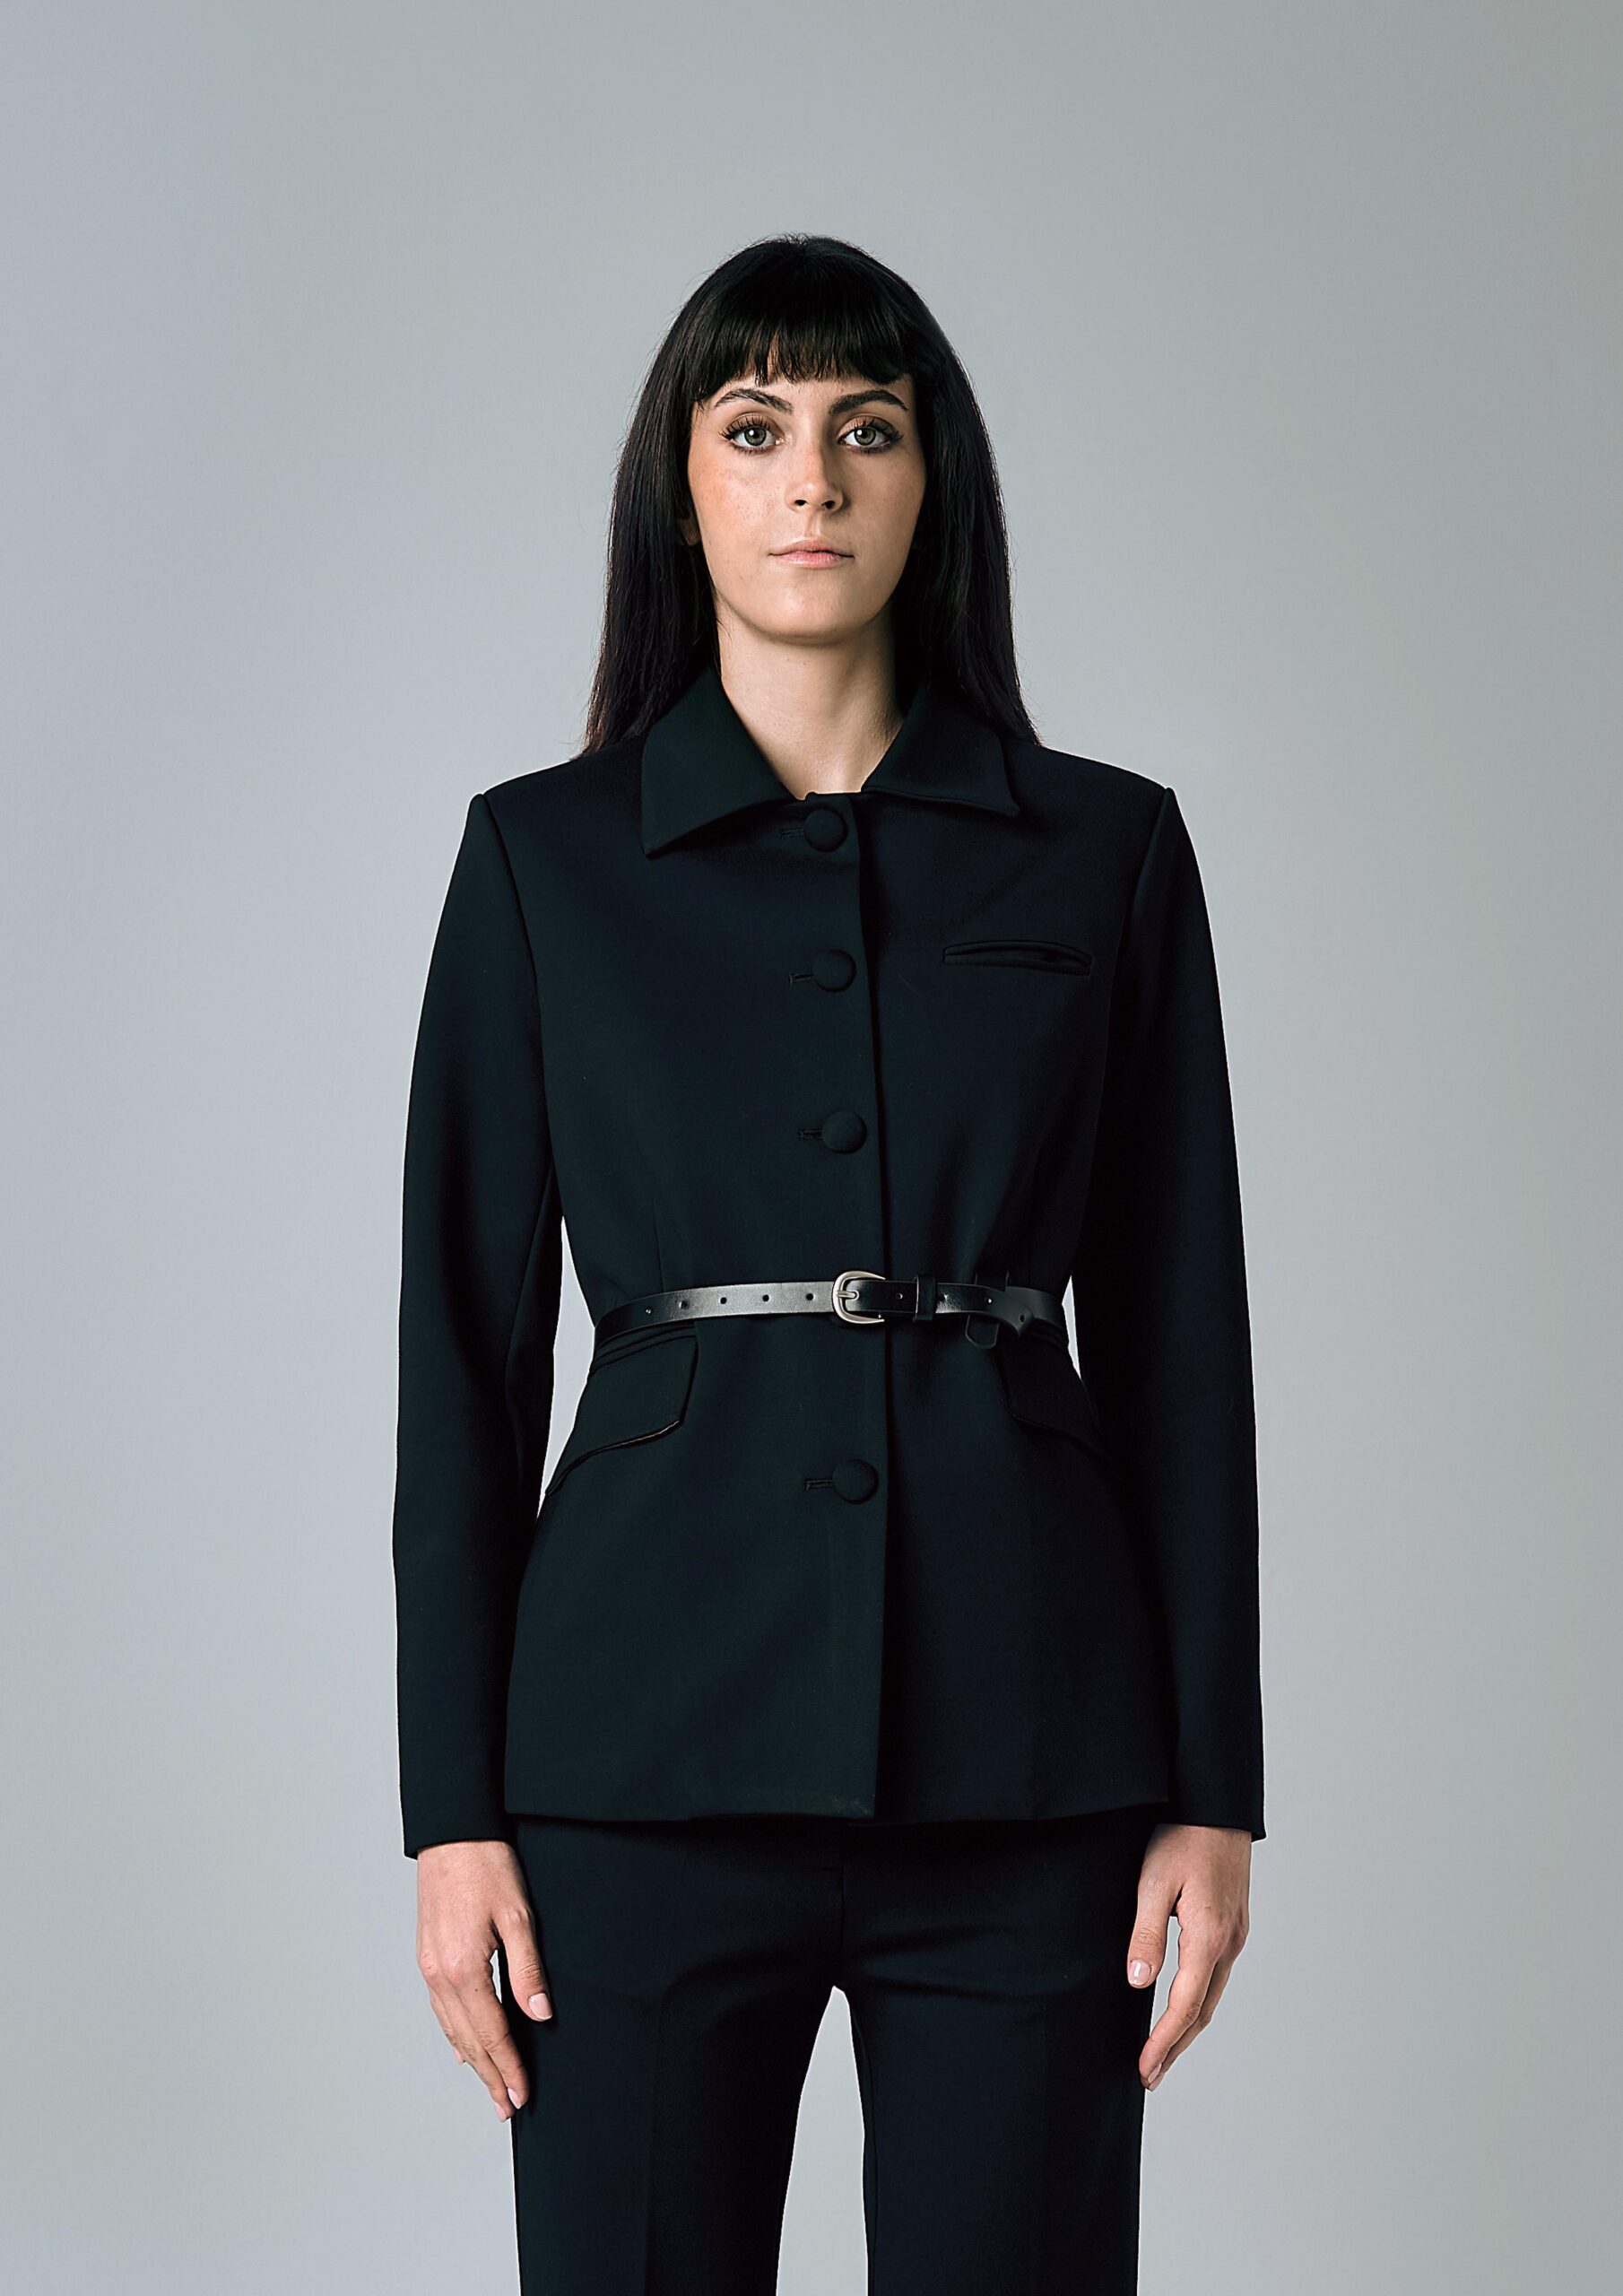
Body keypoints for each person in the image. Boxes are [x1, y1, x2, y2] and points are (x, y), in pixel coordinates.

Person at [390, 232, 1264, 2293]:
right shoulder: (542, 860)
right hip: (632, 1756)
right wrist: (450, 1813)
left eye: (864, 430)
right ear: (680, 487)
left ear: (930, 481)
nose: (810, 480)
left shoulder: (1104, 850)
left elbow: (1180, 1343)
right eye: (754, 428)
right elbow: (461, 1359)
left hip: (1030, 1749)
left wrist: (1213, 1787)